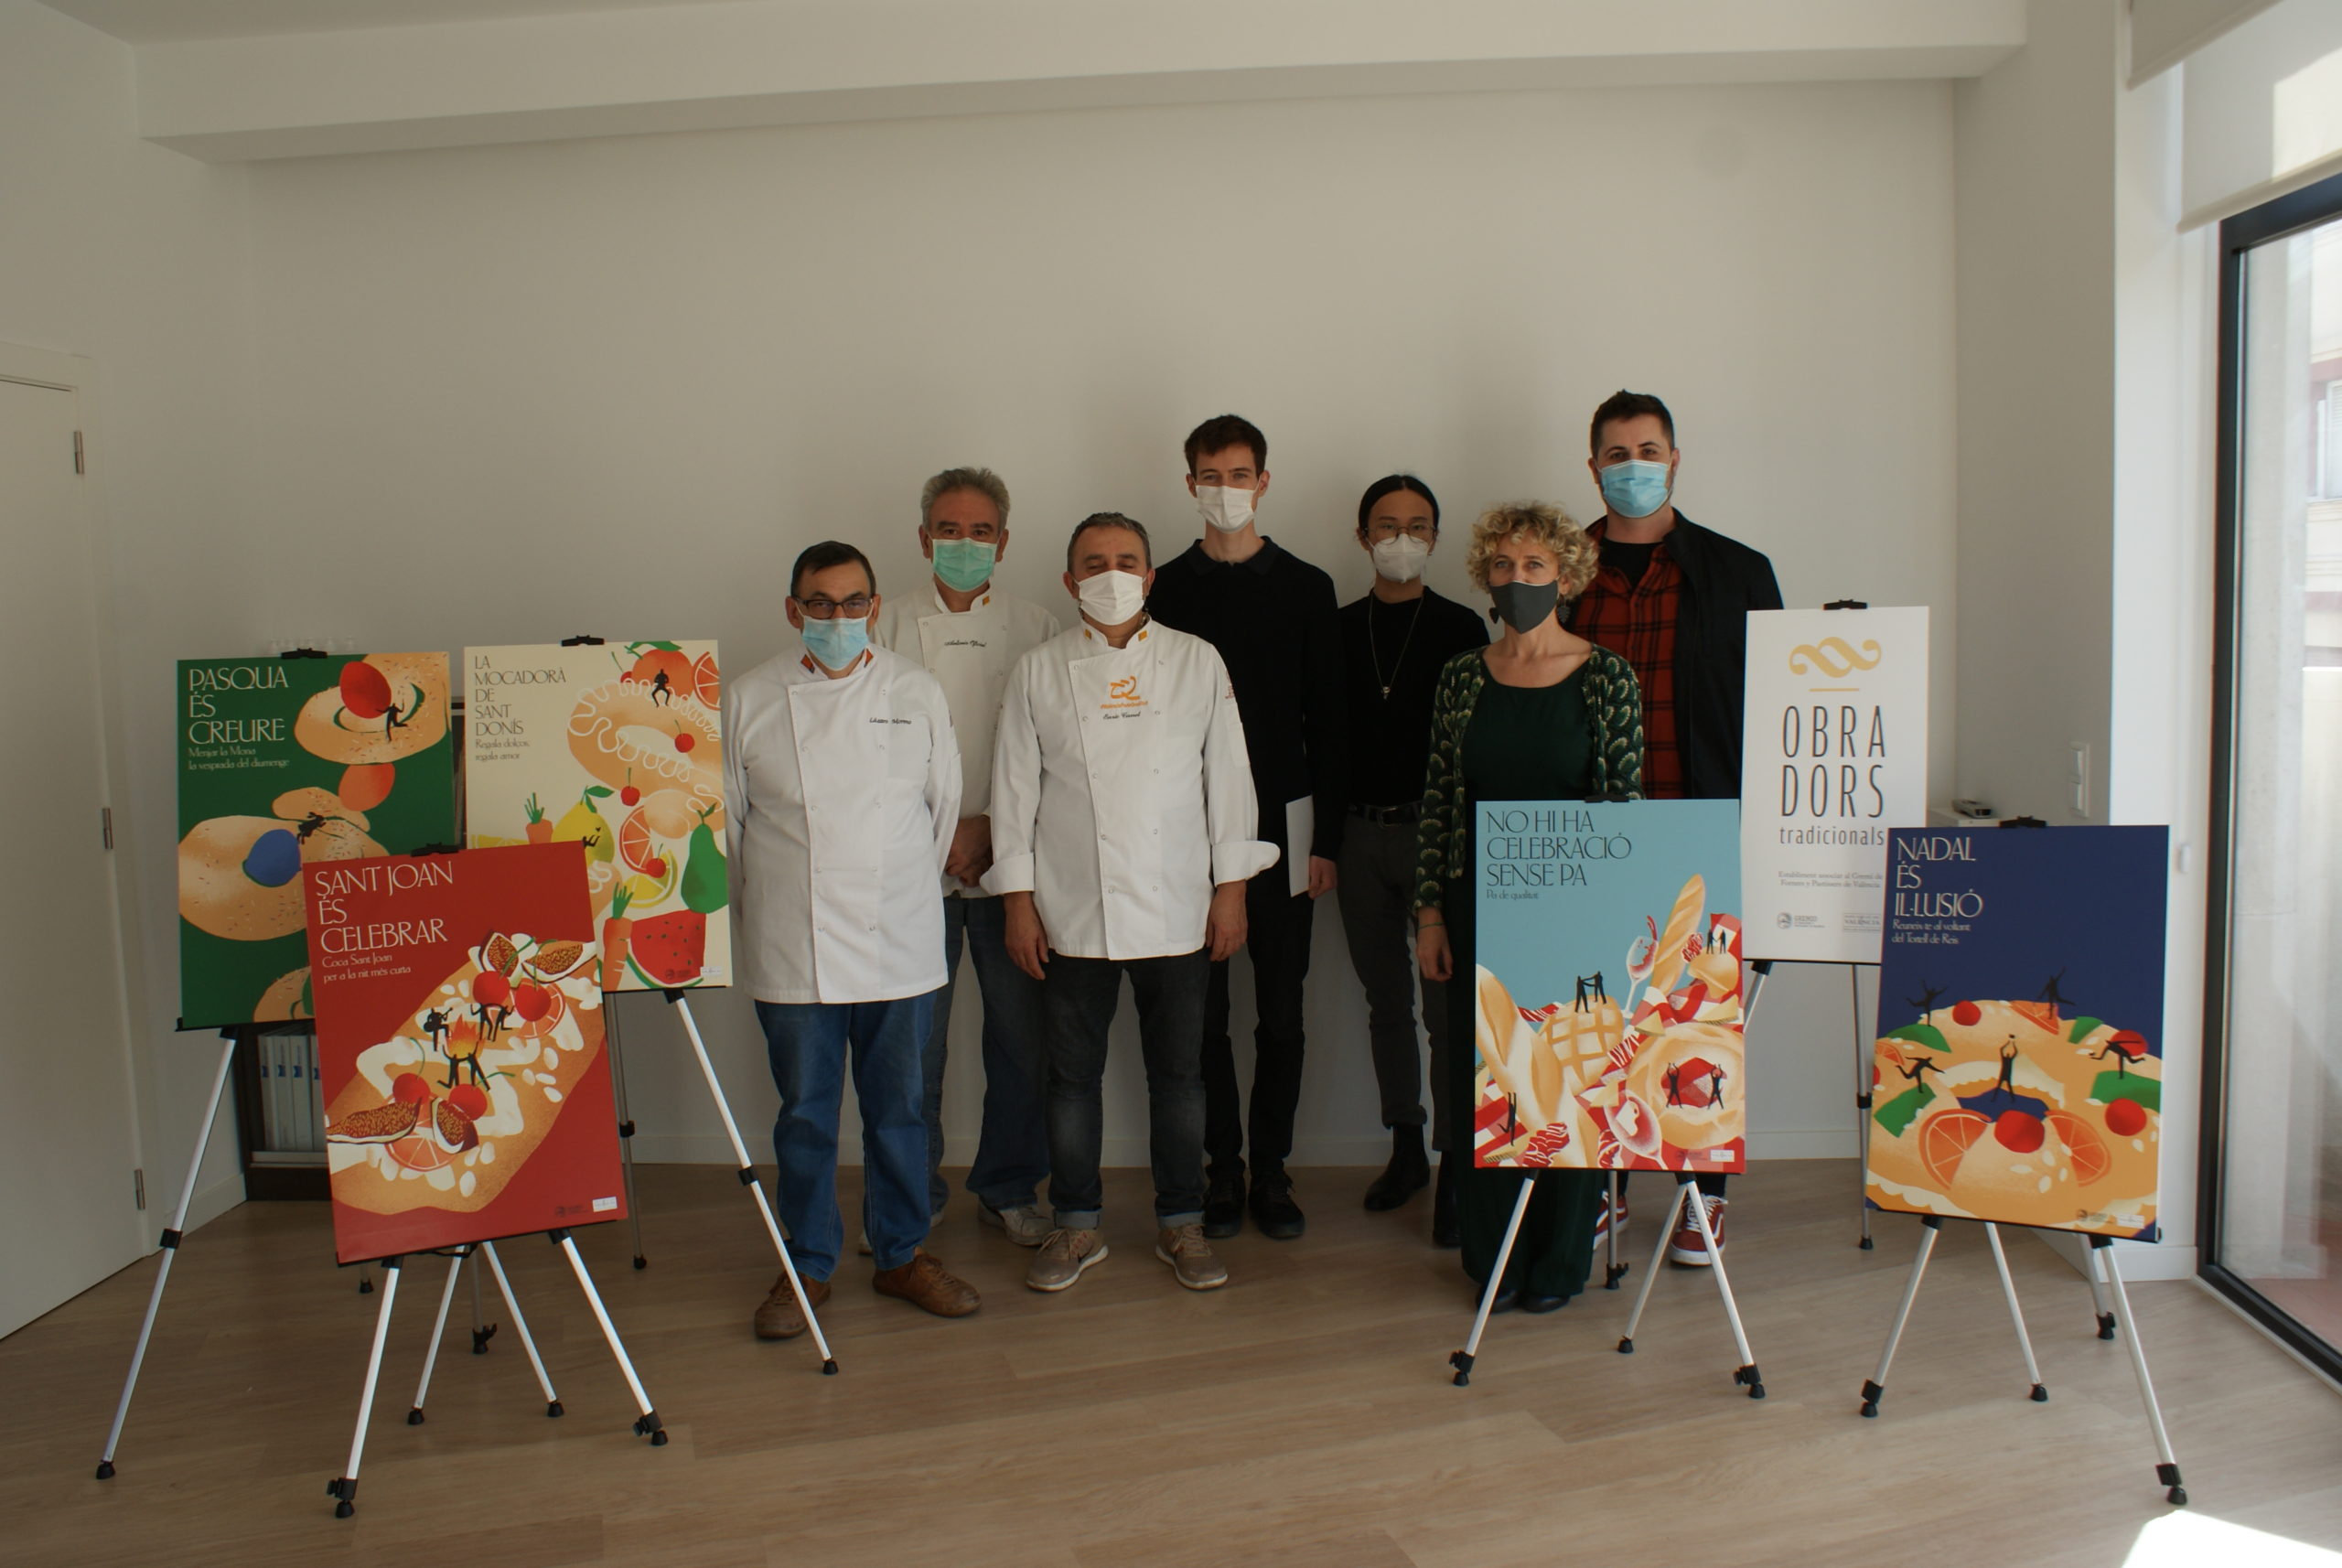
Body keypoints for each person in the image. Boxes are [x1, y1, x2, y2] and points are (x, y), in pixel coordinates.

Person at [985, 513, 1276, 1294]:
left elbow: (1229, 781)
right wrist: (1018, 904)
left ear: (1150, 577)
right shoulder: (1038, 671)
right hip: (1070, 910)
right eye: (1093, 563)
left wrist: (1231, 892)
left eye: (1125, 561)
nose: (1110, 574)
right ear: (1069, 579)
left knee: (1179, 1079)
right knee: (1070, 1080)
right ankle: (1077, 1223)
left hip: (1178, 906)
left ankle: (1181, 1222)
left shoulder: (1196, 660)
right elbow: (1013, 793)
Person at [725, 540, 981, 1337]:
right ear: (792, 608)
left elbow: (942, 810)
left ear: (874, 606)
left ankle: (901, 1254)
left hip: (897, 938)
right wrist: (769, 913)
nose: (838, 617)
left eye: (853, 602)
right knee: (805, 1115)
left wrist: (899, 891)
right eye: (820, 602)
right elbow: (728, 830)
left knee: (899, 1111)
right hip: (793, 944)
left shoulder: (916, 689)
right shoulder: (748, 698)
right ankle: (806, 1264)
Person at [1568, 389, 1781, 1266]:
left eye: (1648, 451)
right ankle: (1607, 1187)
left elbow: (1774, 712)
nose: (1634, 467)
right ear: (1593, 468)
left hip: (1702, 824)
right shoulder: (1562, 571)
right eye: (1617, 454)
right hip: (1593, 832)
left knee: (1702, 1023)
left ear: (1675, 459)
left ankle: (1704, 1197)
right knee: (1599, 1012)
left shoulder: (1737, 572)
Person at [1415, 502, 1645, 1314]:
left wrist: (1612, 922)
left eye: (1536, 566)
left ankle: (1556, 1262)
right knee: (1486, 1082)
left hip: (1575, 914)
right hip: (1477, 907)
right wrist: (1430, 913)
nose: (1519, 579)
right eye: (1504, 565)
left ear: (1567, 578)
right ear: (1487, 576)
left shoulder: (1607, 677)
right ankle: (1493, 1260)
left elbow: (1625, 809)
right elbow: (1439, 797)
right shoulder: (1461, 676)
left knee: (1566, 1084)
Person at [1147, 413, 1346, 1241]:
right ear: (1189, 482)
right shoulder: (1163, 588)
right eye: (1210, 475)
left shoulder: (1306, 586)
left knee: (1281, 1015)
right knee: (1202, 1020)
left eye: (1239, 475)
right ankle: (1220, 1171)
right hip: (1185, 830)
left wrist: (1326, 841)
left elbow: (1327, 723)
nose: (1225, 489)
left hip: (1287, 825)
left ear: (1263, 482)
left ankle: (1271, 1171)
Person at [872, 467, 1062, 1245]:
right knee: (912, 1051)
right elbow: (867, 750)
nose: (964, 543)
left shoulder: (1040, 627)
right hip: (914, 868)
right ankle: (908, 1197)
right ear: (924, 538)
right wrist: (941, 831)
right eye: (948, 530)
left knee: (1022, 1045)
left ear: (1003, 543)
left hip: (1010, 869)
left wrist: (988, 831)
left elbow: (1055, 753)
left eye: (980, 531)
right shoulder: (881, 625)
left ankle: (1009, 1187)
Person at [1333, 475, 1486, 1241]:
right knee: (1385, 1001)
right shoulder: (1338, 628)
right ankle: (1405, 1145)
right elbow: (1324, 742)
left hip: (1437, 835)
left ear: (1435, 538)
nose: (1401, 538)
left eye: (1417, 526)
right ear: (1363, 536)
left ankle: (1456, 1158)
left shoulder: (1462, 627)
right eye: (1386, 525)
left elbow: (1473, 748)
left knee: (1446, 1009)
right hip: (1359, 835)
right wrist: (1323, 845)